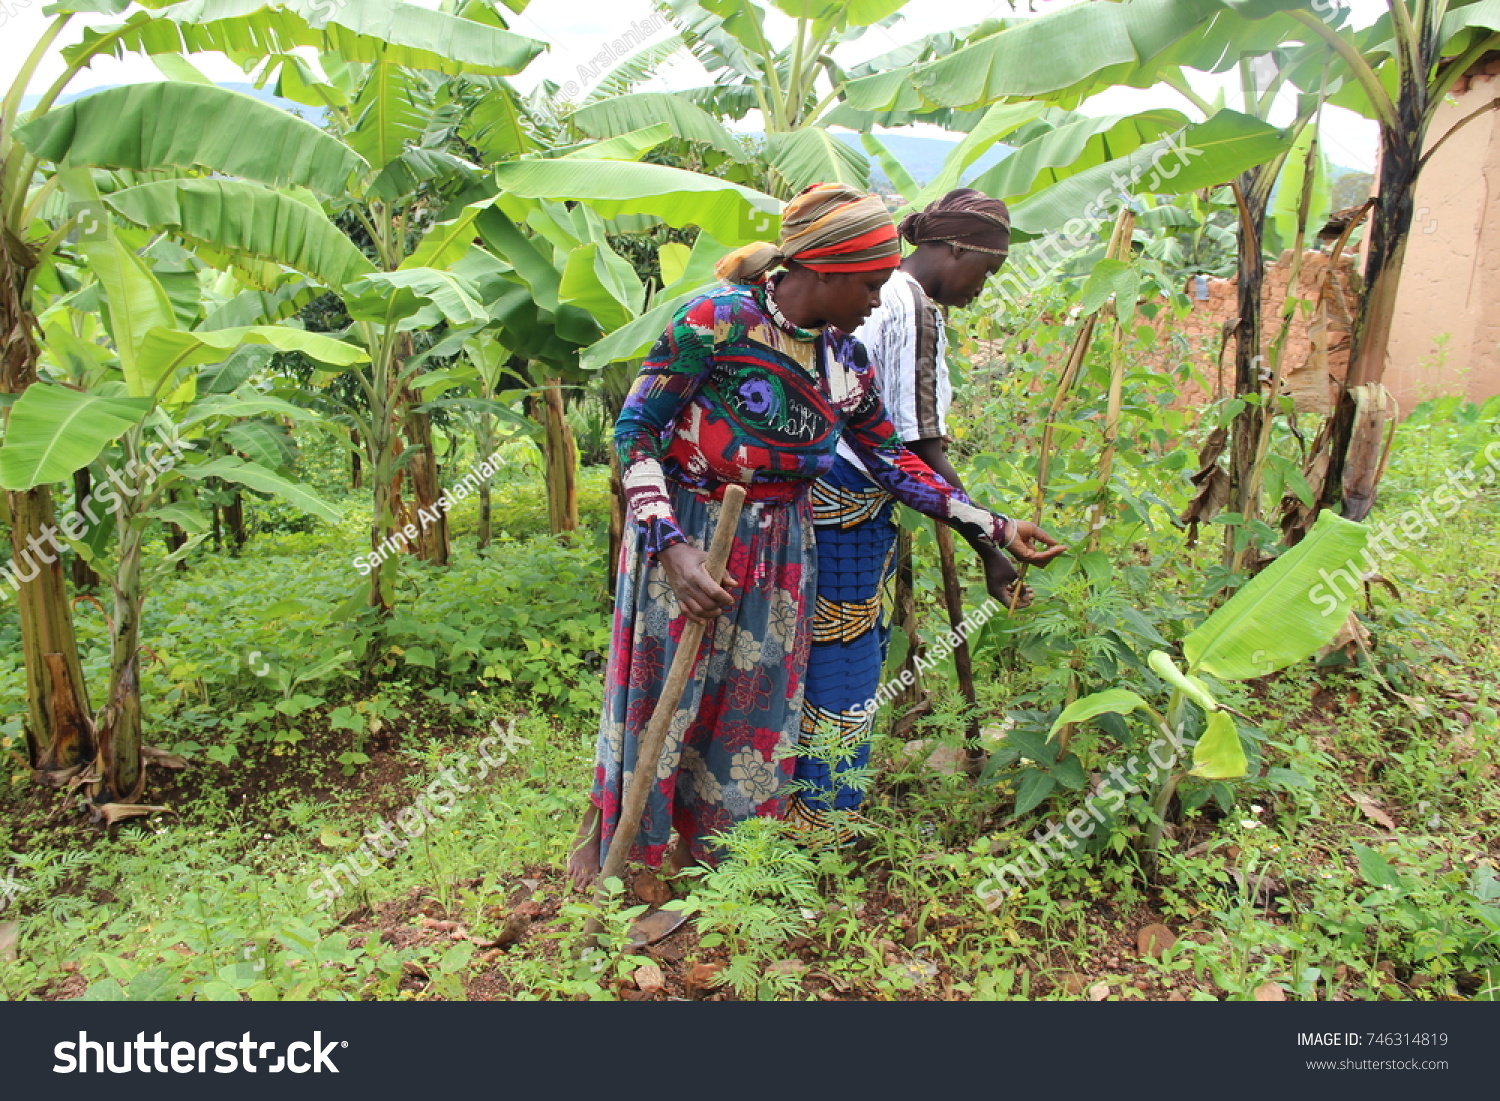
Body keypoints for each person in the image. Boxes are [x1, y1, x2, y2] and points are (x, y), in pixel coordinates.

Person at [567, 183, 1061, 892]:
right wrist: (671, 546)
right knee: (659, 702)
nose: (875, 297)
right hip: (690, 532)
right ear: (823, 269)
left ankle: (720, 872)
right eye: (867, 282)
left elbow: (896, 463)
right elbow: (635, 430)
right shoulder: (714, 322)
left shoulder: (842, 363)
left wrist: (997, 528)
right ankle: (618, 850)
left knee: (750, 716)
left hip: (779, 556)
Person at [788, 188, 1066, 836]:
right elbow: (915, 444)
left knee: (822, 657)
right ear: (955, 250)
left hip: (826, 497)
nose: (981, 287)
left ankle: (806, 810)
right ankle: (824, 821)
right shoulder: (911, 305)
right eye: (986, 270)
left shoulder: (877, 301)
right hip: (850, 509)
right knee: (847, 663)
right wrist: (992, 549)